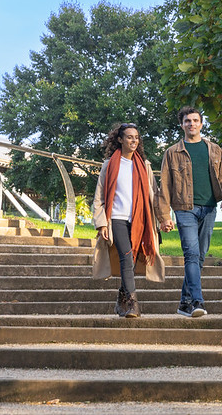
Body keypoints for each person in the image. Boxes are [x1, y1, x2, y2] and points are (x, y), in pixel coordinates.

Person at [157, 107, 222, 317]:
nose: (191, 124)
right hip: (185, 209)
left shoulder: (214, 149)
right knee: (191, 254)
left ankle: (184, 303)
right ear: (181, 125)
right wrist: (164, 216)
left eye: (195, 120)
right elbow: (164, 186)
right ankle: (197, 302)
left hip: (209, 208)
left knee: (199, 257)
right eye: (187, 121)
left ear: (201, 123)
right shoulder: (172, 152)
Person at [92, 122, 164, 318]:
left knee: (131, 260)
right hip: (116, 218)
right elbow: (99, 196)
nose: (134, 140)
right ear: (120, 139)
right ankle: (132, 303)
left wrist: (163, 219)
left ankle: (121, 299)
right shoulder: (109, 165)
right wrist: (101, 223)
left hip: (140, 218)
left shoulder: (144, 166)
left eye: (136, 137)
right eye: (129, 137)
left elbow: (154, 195)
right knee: (125, 256)